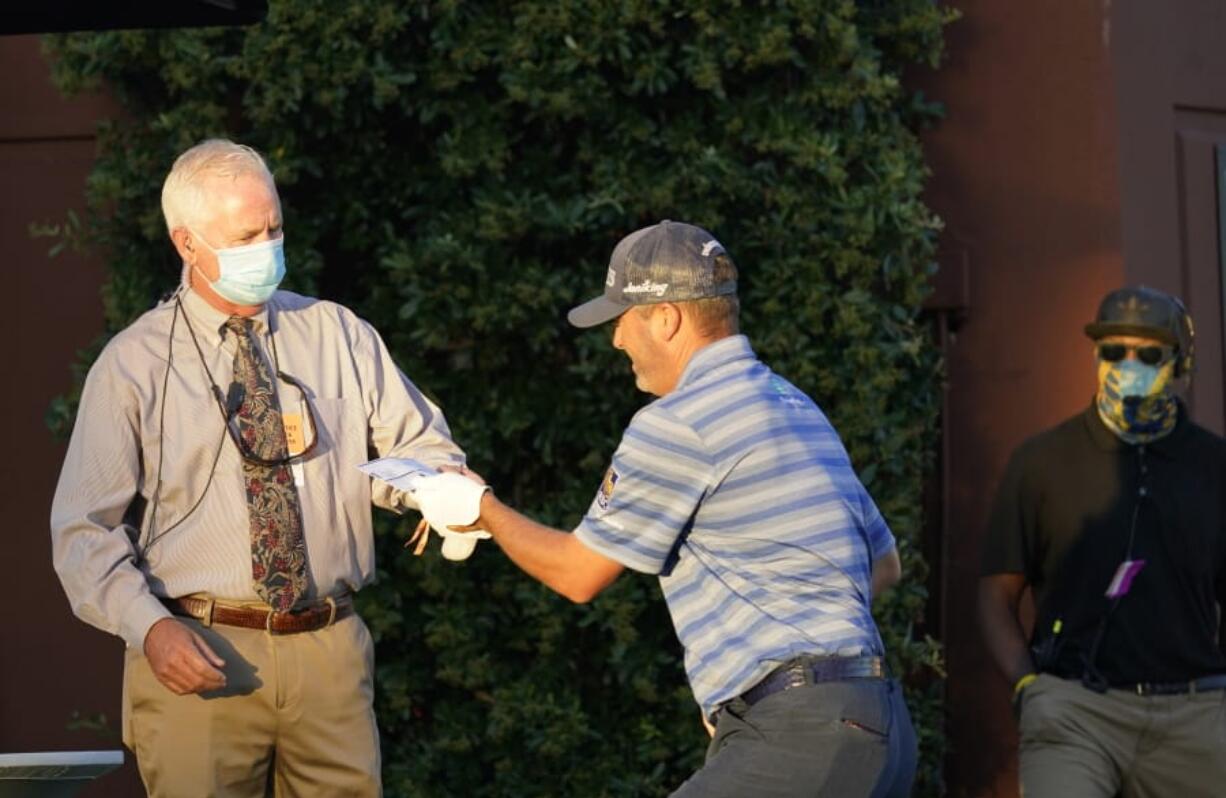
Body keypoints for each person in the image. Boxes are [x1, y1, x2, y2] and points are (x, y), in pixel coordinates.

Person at [426, 220, 917, 796]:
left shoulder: (678, 422)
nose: (616, 341)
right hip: (879, 721)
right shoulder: (795, 404)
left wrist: (480, 507)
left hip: (801, 733)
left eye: (622, 320)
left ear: (665, 318)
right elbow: (885, 567)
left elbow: (577, 574)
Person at [50, 138, 465, 797]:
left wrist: (441, 491)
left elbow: (416, 448)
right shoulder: (132, 366)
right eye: (247, 236)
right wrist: (147, 627)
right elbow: (82, 532)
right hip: (198, 648)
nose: (268, 247)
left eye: (274, 228)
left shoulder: (339, 334)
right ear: (188, 244)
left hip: (328, 649)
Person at [978, 285, 1226, 797]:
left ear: (1180, 363)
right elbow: (996, 594)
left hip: (1197, 713)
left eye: (1147, 354)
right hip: (1075, 710)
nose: (1127, 366)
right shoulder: (1041, 462)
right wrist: (1030, 687)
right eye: (1114, 351)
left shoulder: (1214, 466)